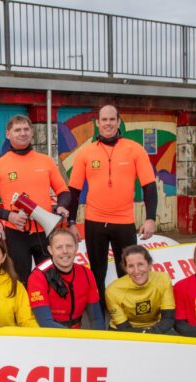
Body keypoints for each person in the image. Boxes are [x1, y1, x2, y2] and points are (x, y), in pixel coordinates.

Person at [68, 104, 158, 311]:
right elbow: (73, 190)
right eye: (104, 120)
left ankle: (128, 312)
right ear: (97, 123)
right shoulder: (86, 153)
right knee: (97, 272)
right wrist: (71, 222)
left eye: (112, 119)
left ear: (118, 122)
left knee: (127, 270)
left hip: (124, 222)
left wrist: (150, 218)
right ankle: (99, 315)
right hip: (95, 222)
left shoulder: (135, 149)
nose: (108, 123)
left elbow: (149, 186)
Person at [0, 114, 72, 283]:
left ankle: (50, 309)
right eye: (17, 130)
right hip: (17, 233)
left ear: (32, 132)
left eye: (26, 129)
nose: (23, 133)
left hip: (45, 231)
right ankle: (25, 309)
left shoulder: (46, 161)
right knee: (21, 279)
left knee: (52, 278)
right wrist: (8, 216)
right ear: (8, 134)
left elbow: (63, 191)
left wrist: (63, 205)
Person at [28, 229, 104, 330]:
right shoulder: (38, 276)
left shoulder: (86, 273)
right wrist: (72, 339)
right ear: (50, 250)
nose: (65, 251)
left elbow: (96, 318)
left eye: (69, 246)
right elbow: (45, 322)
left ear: (76, 247)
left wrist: (97, 342)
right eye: (59, 247)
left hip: (76, 332)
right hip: (48, 335)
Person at [105, 245, 175, 334]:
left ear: (149, 264)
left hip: (157, 328)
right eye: (131, 266)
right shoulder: (113, 290)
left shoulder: (163, 279)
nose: (136, 271)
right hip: (124, 331)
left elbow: (168, 318)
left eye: (140, 264)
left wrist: (153, 333)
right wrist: (146, 334)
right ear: (125, 269)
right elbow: (124, 327)